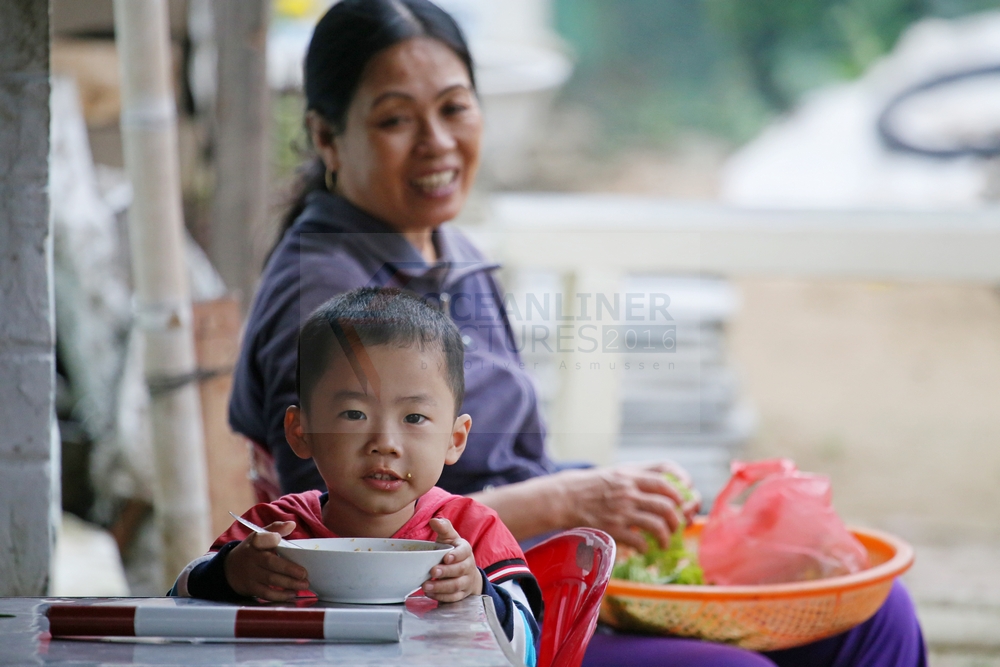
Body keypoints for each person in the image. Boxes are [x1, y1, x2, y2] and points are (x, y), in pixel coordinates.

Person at [228, 1, 927, 665]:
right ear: (326, 137)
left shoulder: (452, 251)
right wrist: (572, 498)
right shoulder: (321, 290)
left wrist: (619, 495)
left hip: (544, 569)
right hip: (453, 614)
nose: (437, 142)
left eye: (454, 108)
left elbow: (511, 468)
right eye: (394, 120)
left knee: (878, 611)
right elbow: (340, 527)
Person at [174, 288, 541, 665]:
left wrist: (476, 589)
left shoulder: (471, 533)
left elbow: (527, 651)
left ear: (455, 438)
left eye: (414, 418)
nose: (385, 444)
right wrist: (230, 573)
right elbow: (176, 612)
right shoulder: (272, 533)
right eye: (354, 414)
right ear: (301, 432)